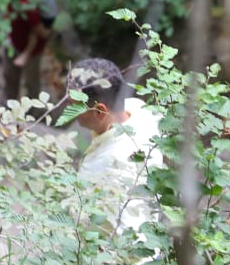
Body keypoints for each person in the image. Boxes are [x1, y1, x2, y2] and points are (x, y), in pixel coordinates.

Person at [64, 58, 164, 236]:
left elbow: (110, 232)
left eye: (73, 104)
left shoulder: (107, 163)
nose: (67, 107)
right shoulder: (140, 110)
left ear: (100, 111)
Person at [3, 0, 56, 104]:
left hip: (32, 46)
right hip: (14, 40)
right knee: (10, 75)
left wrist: (47, 33)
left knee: (31, 81)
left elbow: (40, 31)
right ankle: (10, 105)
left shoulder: (29, 6)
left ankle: (34, 112)